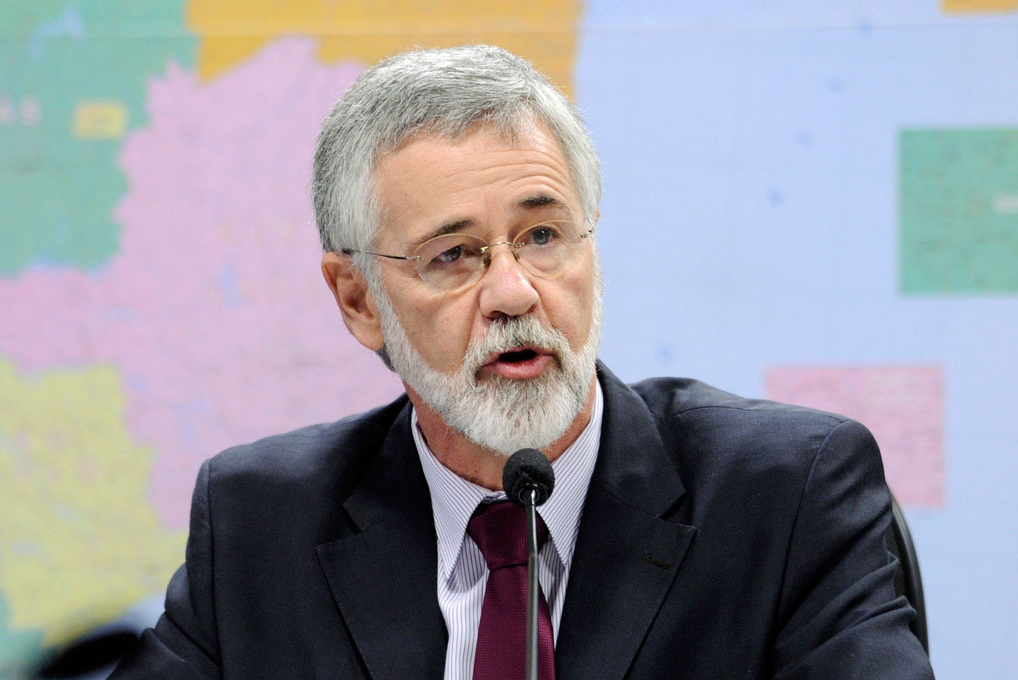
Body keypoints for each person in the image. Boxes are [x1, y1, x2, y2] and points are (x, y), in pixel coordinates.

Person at [109, 45, 934, 679]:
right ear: (359, 300)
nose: (514, 292)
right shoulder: (263, 523)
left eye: (543, 236)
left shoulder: (784, 496)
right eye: (455, 255)